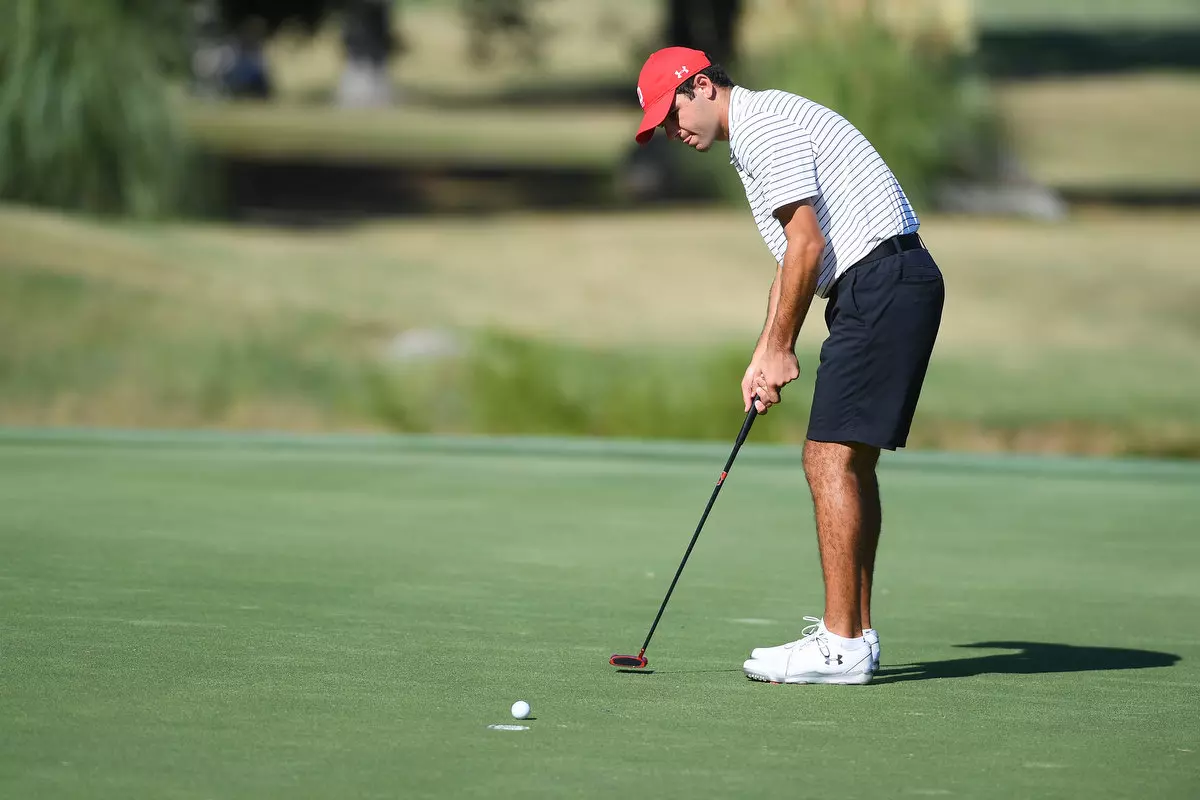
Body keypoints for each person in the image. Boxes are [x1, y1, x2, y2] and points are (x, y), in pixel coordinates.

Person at [633, 46, 945, 685]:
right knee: (847, 460)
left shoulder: (764, 128)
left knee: (827, 458)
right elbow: (791, 259)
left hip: (880, 282)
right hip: (884, 283)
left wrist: (782, 348)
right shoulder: (760, 127)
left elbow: (807, 245)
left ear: (701, 86)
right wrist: (764, 350)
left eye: (671, 114)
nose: (671, 131)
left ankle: (840, 644)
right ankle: (854, 636)